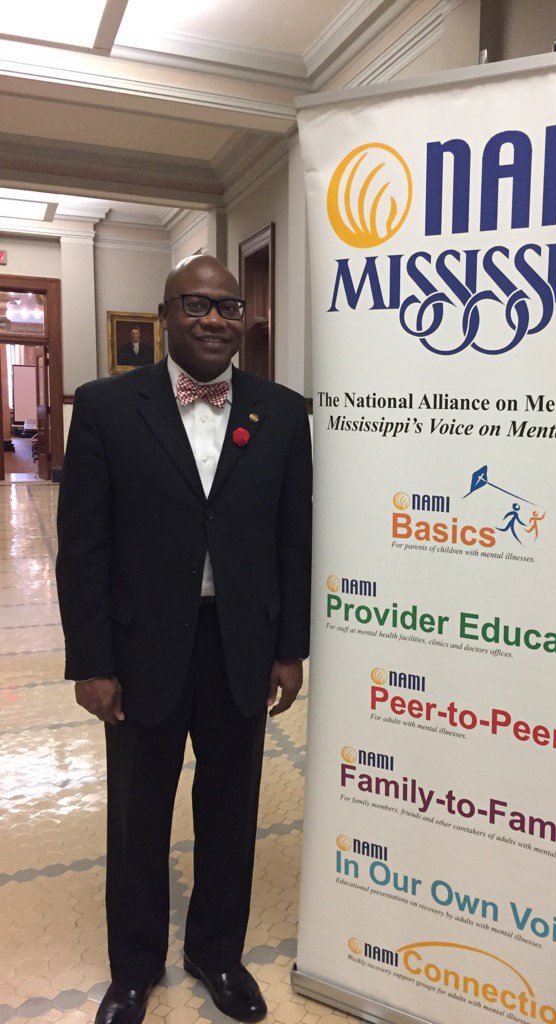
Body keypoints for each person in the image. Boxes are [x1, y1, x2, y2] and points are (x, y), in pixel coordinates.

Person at [56, 255, 312, 1024]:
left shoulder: (280, 411)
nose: (214, 320)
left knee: (231, 812)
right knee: (138, 817)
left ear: (244, 320)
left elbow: (293, 538)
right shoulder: (106, 406)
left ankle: (216, 953)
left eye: (228, 307)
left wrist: (290, 648)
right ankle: (134, 969)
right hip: (140, 650)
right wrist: (92, 662)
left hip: (240, 644)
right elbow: (84, 547)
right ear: (164, 314)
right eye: (196, 304)